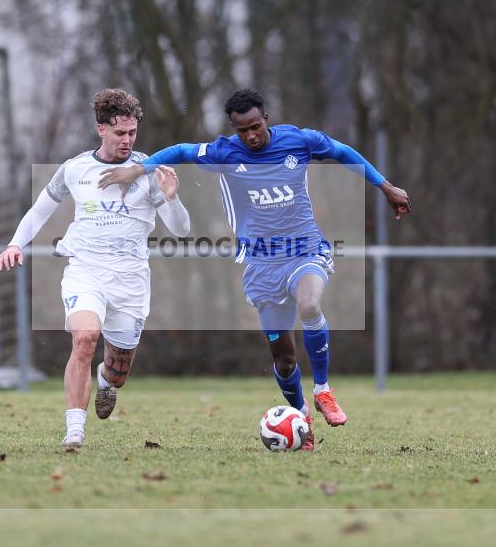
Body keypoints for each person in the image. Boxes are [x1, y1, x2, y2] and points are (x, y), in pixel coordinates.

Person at [98, 88, 410, 451]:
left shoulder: (298, 141)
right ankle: (301, 417)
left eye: (256, 127)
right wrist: (137, 170)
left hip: (304, 249)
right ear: (234, 128)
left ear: (266, 119)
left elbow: (343, 152)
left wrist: (386, 186)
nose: (250, 135)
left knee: (310, 305)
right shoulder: (225, 152)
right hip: (261, 264)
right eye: (242, 130)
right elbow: (181, 151)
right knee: (284, 360)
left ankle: (323, 390)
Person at [0, 89, 191, 451]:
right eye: (120, 133)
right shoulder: (75, 169)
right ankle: (74, 430)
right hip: (85, 271)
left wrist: (172, 196)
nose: (127, 140)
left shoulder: (148, 171)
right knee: (84, 338)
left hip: (131, 280)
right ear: (101, 129)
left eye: (132, 133)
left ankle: (105, 380)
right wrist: (14, 244)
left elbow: (181, 229)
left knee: (118, 373)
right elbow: (40, 210)